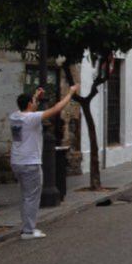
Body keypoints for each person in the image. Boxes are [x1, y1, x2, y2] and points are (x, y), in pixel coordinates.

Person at [10, 84, 79, 240]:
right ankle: (28, 230)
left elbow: (30, 107)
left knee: (25, 196)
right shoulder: (32, 118)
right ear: (29, 104)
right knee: (32, 197)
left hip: (17, 161)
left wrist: (35, 95)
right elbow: (56, 109)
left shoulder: (14, 116)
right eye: (33, 102)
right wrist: (70, 93)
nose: (35, 104)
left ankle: (26, 227)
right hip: (30, 163)